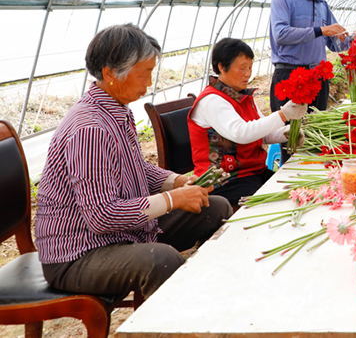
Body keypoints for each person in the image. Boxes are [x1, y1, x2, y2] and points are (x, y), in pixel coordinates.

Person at [35, 24, 232, 302]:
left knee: (215, 207)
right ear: (110, 74)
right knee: (160, 259)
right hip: (78, 253)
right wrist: (173, 199)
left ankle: (213, 292)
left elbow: (135, 168)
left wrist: (176, 181)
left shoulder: (115, 110)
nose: (149, 83)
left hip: (121, 234)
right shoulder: (90, 128)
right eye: (145, 73)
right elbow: (102, 215)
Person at [188, 38, 306, 205]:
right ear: (222, 67)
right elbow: (241, 133)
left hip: (252, 172)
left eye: (250, 67)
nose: (248, 73)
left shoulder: (241, 96)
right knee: (284, 201)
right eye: (242, 68)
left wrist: (285, 134)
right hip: (226, 181)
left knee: (296, 190)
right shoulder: (212, 100)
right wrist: (283, 115)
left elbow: (261, 132)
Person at [269, 0, 352, 161]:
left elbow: (334, 45)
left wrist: (354, 40)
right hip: (289, 77)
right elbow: (281, 34)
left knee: (315, 134)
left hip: (317, 79)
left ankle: (310, 187)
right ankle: (288, 184)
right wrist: (321, 30)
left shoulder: (323, 6)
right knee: (290, 137)